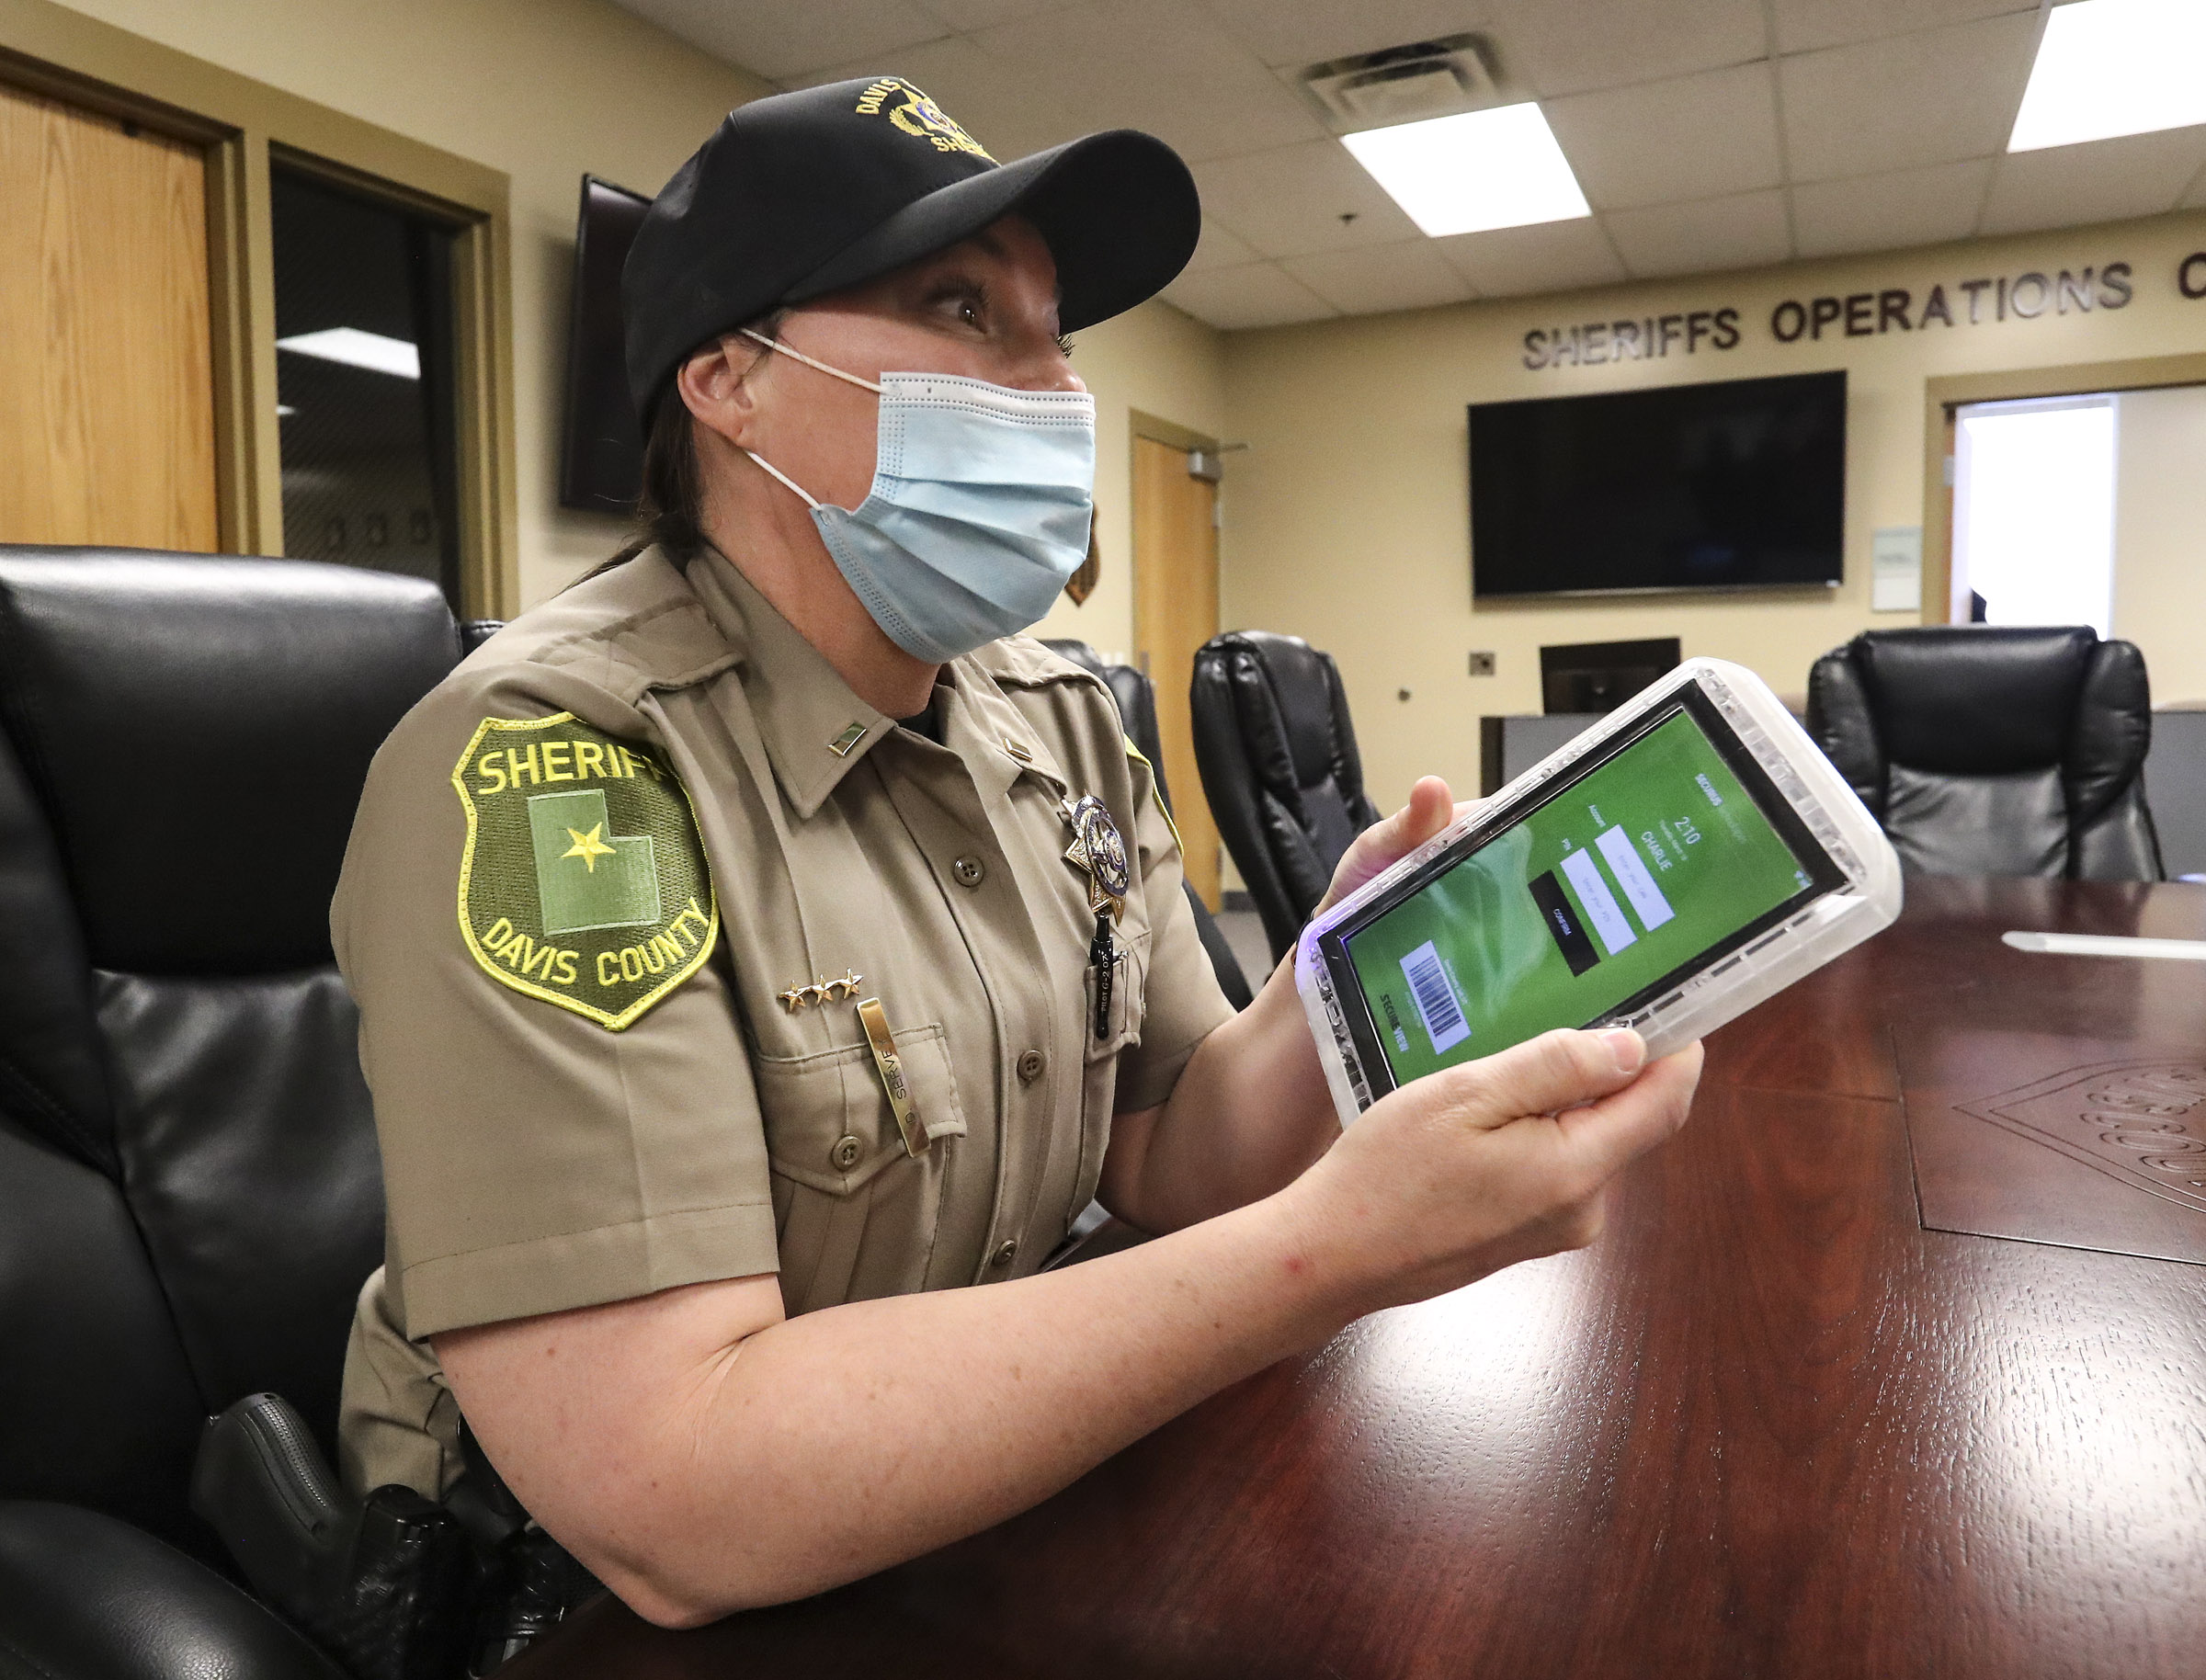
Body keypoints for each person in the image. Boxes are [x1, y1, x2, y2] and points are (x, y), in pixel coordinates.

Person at [330, 77, 1702, 1630]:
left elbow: (1169, 1150)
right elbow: (675, 1492)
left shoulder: (1052, 718)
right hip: (575, 1604)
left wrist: (1330, 975)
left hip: (972, 1497)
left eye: (1058, 332)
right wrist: (1331, 1253)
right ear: (728, 380)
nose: (1056, 391)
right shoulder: (561, 765)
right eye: (964, 308)